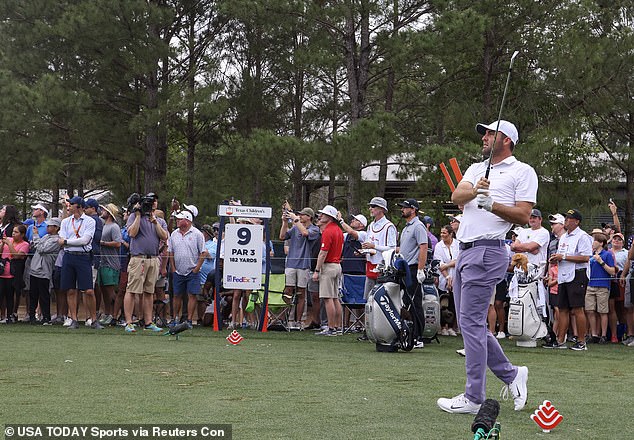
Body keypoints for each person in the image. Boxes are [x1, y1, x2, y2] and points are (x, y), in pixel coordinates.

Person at [437, 120, 534, 415]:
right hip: (466, 251)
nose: (485, 138)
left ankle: (474, 396)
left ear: (507, 140)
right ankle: (511, 374)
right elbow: (457, 196)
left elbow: (523, 215)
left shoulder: (522, 171)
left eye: (491, 134)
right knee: (472, 325)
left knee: (470, 324)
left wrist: (491, 204)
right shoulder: (477, 168)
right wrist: (475, 191)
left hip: (489, 250)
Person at [546, 209, 593, 350]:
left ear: (577, 221)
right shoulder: (564, 237)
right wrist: (556, 259)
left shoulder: (582, 236)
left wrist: (563, 257)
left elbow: (585, 257)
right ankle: (561, 341)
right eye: (565, 218)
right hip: (564, 275)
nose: (566, 220)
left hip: (577, 274)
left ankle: (581, 341)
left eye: (569, 218)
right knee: (563, 309)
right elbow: (562, 255)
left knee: (577, 308)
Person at [123, 193, 169, 332]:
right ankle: (129, 322)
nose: (152, 204)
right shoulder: (134, 216)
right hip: (138, 258)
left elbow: (164, 236)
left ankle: (148, 322)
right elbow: (132, 233)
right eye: (150, 202)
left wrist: (154, 221)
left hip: (153, 258)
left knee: (149, 291)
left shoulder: (159, 221)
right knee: (132, 290)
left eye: (154, 201)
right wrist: (137, 215)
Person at [58, 197, 102, 329]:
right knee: (70, 290)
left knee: (88, 290)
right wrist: (65, 241)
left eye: (71, 204)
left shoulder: (90, 221)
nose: (69, 206)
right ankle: (74, 319)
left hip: (83, 257)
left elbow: (85, 240)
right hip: (69, 256)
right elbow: (61, 237)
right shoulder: (66, 221)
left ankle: (94, 320)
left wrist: (66, 242)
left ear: (79, 206)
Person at [279, 206, 320, 330]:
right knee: (288, 291)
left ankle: (298, 321)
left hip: (303, 265)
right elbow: (282, 236)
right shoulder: (295, 227)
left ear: (309, 217)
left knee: (301, 293)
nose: (300, 216)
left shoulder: (315, 229)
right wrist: (285, 222)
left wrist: (295, 220)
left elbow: (305, 233)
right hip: (291, 263)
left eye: (303, 215)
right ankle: (288, 319)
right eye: (299, 215)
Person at [396, 199, 428, 348]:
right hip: (405, 268)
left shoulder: (418, 226)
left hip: (414, 268)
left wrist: (420, 269)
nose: (402, 210)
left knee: (415, 303)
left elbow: (423, 247)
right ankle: (410, 334)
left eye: (405, 207)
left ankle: (418, 337)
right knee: (407, 302)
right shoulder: (407, 227)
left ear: (413, 209)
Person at [167, 210, 206, 326]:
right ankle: (174, 319)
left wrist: (196, 269)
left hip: (192, 270)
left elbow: (203, 253)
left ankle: (188, 320)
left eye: (180, 219)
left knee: (191, 295)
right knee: (176, 295)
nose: (177, 221)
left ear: (187, 221)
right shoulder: (174, 234)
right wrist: (173, 268)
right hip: (178, 271)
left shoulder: (197, 234)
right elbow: (170, 252)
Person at [312, 205, 344, 336]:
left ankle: (331, 327)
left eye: (324, 215)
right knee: (335, 297)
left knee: (328, 298)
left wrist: (317, 270)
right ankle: (337, 327)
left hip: (329, 266)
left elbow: (323, 253)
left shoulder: (328, 231)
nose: (321, 216)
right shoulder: (338, 230)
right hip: (337, 265)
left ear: (330, 217)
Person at [29, 218, 62, 324]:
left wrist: (35, 235)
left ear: (56, 228)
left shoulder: (56, 240)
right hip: (35, 268)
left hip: (44, 270)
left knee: (44, 294)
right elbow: (37, 246)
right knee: (33, 294)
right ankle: (32, 316)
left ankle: (46, 317)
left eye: (50, 226)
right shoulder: (46, 237)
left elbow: (43, 249)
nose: (47, 227)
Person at [363, 197, 397, 298]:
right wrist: (364, 250)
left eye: (373, 206)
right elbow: (369, 245)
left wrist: (374, 246)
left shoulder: (388, 226)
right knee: (369, 298)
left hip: (382, 268)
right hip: (370, 266)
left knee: (381, 298)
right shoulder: (371, 225)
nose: (370, 209)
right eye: (370, 206)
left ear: (381, 209)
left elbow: (392, 248)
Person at [585, 230, 615, 344]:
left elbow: (612, 271)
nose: (592, 242)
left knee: (603, 311)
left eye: (594, 240)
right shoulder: (590, 255)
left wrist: (601, 262)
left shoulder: (607, 254)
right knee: (590, 310)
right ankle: (594, 334)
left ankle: (603, 335)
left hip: (602, 286)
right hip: (590, 285)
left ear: (601, 243)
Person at [96, 204, 122, 326]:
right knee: (103, 290)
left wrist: (103, 243)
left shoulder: (114, 227)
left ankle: (114, 315)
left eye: (104, 210)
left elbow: (118, 243)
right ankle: (106, 313)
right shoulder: (102, 225)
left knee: (110, 290)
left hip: (111, 263)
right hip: (102, 262)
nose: (102, 211)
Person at [0, 225, 29, 323]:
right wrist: (2, 244)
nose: (13, 234)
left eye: (16, 232)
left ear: (22, 234)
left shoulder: (24, 244)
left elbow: (16, 255)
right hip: (2, 272)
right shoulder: (8, 240)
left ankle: (10, 316)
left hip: (13, 274)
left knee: (10, 296)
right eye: (13, 231)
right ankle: (2, 316)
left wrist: (9, 244)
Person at [434, 224, 459, 336]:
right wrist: (447, 276)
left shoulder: (457, 244)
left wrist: (447, 265)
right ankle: (443, 326)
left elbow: (458, 260)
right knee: (443, 303)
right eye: (441, 233)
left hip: (457, 277)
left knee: (454, 303)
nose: (442, 235)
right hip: (443, 278)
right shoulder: (439, 246)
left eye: (444, 233)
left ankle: (452, 327)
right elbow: (439, 264)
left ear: (450, 234)